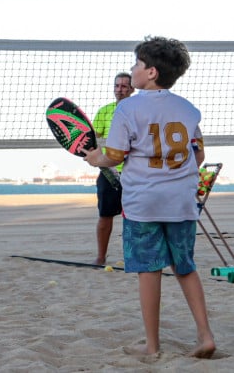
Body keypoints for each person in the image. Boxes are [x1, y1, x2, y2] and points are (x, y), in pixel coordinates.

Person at [84, 36, 215, 359]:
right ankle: (206, 335)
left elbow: (113, 156)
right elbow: (197, 156)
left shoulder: (128, 107)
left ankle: (153, 347)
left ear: (152, 72)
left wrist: (94, 158)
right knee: (185, 266)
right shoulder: (189, 109)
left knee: (149, 270)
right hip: (182, 201)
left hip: (144, 203)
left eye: (138, 65)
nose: (133, 70)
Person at [91, 72, 134, 265]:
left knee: (134, 218)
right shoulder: (105, 111)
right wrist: (98, 159)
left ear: (132, 89)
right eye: (117, 86)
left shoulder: (137, 110)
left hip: (134, 171)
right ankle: (101, 257)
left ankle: (133, 257)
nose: (120, 90)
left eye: (125, 86)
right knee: (105, 215)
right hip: (109, 171)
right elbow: (94, 140)